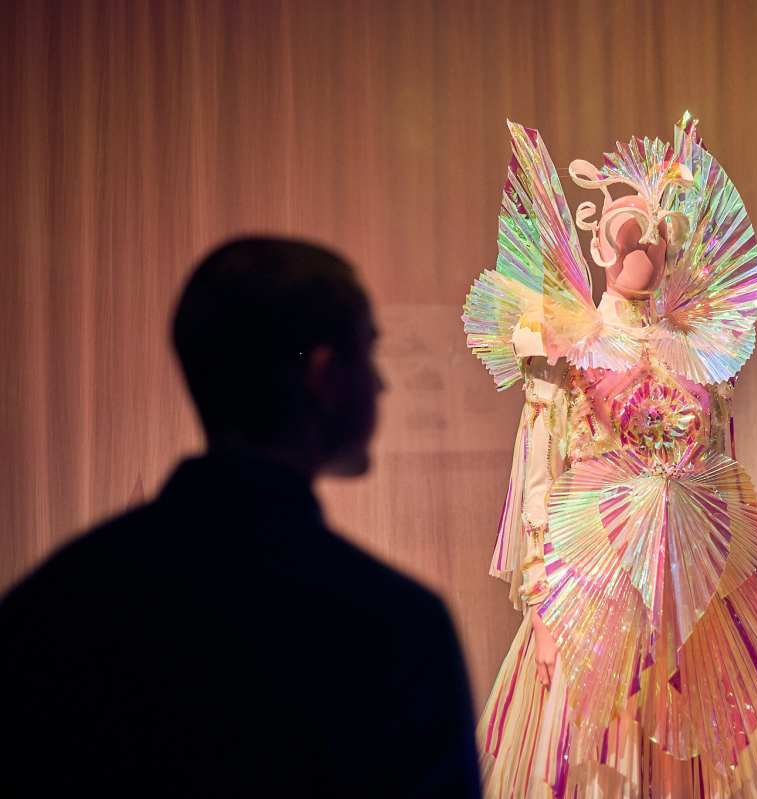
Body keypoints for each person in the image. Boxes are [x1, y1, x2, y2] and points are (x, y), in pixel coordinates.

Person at [0, 237, 481, 797]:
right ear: (324, 376)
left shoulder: (50, 607)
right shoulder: (397, 630)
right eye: (368, 356)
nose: (381, 383)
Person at [464, 116, 757, 798]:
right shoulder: (569, 343)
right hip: (596, 585)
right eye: (630, 235)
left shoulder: (698, 352)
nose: (646, 250)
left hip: (691, 585)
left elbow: (719, 465)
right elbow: (544, 477)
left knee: (691, 757)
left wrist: (730, 567)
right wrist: (543, 607)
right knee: (600, 754)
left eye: (658, 236)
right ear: (599, 244)